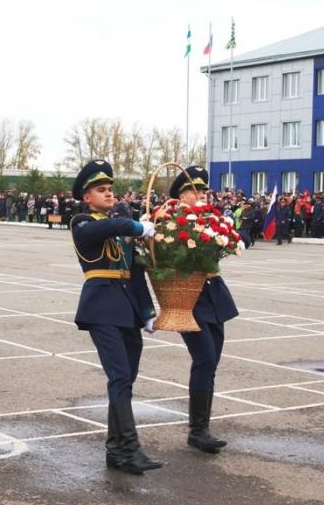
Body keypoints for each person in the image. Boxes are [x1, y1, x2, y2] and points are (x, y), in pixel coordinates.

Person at [69, 160, 160, 475]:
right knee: (120, 377)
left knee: (126, 380)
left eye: (110, 189)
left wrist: (146, 313)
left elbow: (135, 274)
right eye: (101, 190)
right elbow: (108, 227)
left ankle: (116, 450)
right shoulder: (82, 222)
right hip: (101, 309)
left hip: (126, 310)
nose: (109, 194)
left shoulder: (119, 228)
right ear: (87, 196)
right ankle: (130, 450)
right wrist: (137, 226)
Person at [169, 166, 239, 454]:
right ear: (181, 195)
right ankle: (198, 431)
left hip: (213, 294)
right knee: (205, 359)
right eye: (196, 192)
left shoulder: (210, 220)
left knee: (211, 363)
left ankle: (201, 427)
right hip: (187, 297)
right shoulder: (170, 221)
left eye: (205, 191)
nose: (202, 196)